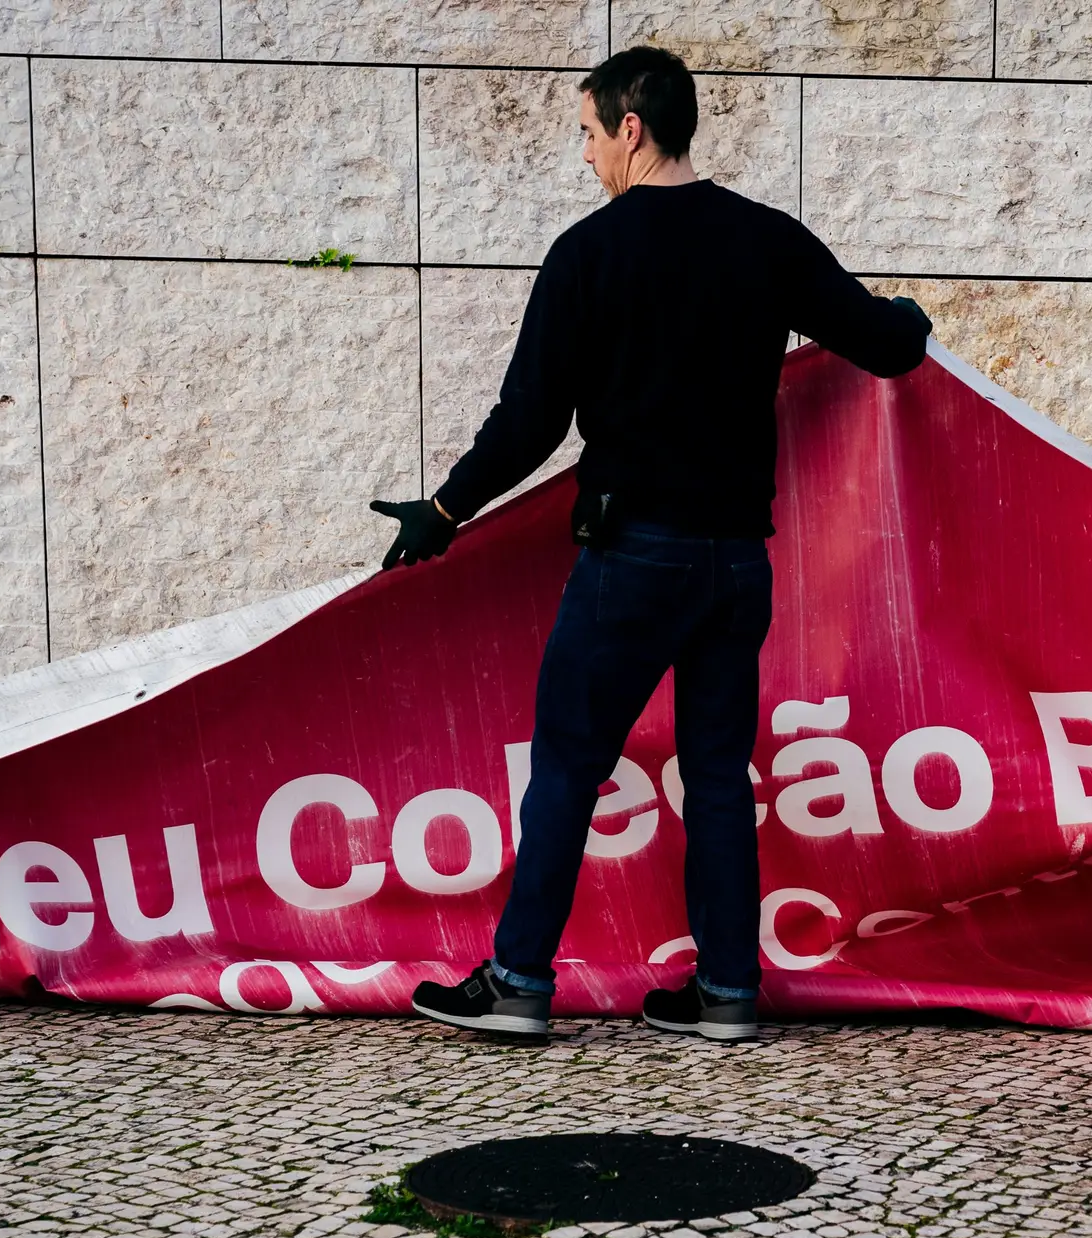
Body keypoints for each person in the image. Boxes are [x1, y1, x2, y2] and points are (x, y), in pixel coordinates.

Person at [371, 45, 931, 1042]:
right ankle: (725, 993)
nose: (585, 155)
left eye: (588, 133)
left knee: (569, 765)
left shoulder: (589, 254)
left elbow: (529, 418)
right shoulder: (765, 241)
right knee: (719, 773)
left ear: (632, 125)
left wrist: (446, 511)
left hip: (633, 557)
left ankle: (517, 980)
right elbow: (884, 343)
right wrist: (910, 315)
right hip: (735, 563)